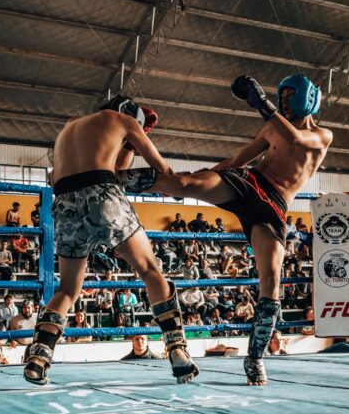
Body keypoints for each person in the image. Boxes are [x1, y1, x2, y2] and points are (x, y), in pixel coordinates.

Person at [119, 74, 332, 385]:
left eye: (289, 96)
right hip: (248, 183)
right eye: (281, 96)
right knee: (184, 181)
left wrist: (263, 105)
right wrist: (197, 181)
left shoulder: (322, 135)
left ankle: (256, 358)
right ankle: (111, 179)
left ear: (306, 98)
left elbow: (297, 141)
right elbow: (238, 158)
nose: (284, 101)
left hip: (273, 207)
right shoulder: (273, 125)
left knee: (271, 285)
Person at [22, 95, 198, 385]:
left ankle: (39, 357)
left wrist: (125, 146)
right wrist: (137, 141)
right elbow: (162, 171)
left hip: (64, 202)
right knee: (151, 272)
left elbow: (56, 177)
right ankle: (177, 349)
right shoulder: (125, 121)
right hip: (103, 195)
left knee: (67, 288)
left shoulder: (70, 126)